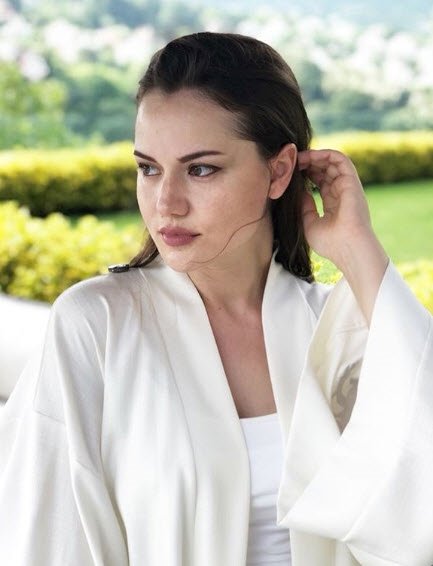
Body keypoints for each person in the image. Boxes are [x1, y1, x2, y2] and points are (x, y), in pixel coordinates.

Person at [0, 32, 432, 566]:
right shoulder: (96, 326)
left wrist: (359, 252)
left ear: (278, 171)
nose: (166, 202)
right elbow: (45, 539)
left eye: (201, 169)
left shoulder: (335, 333)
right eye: (148, 168)